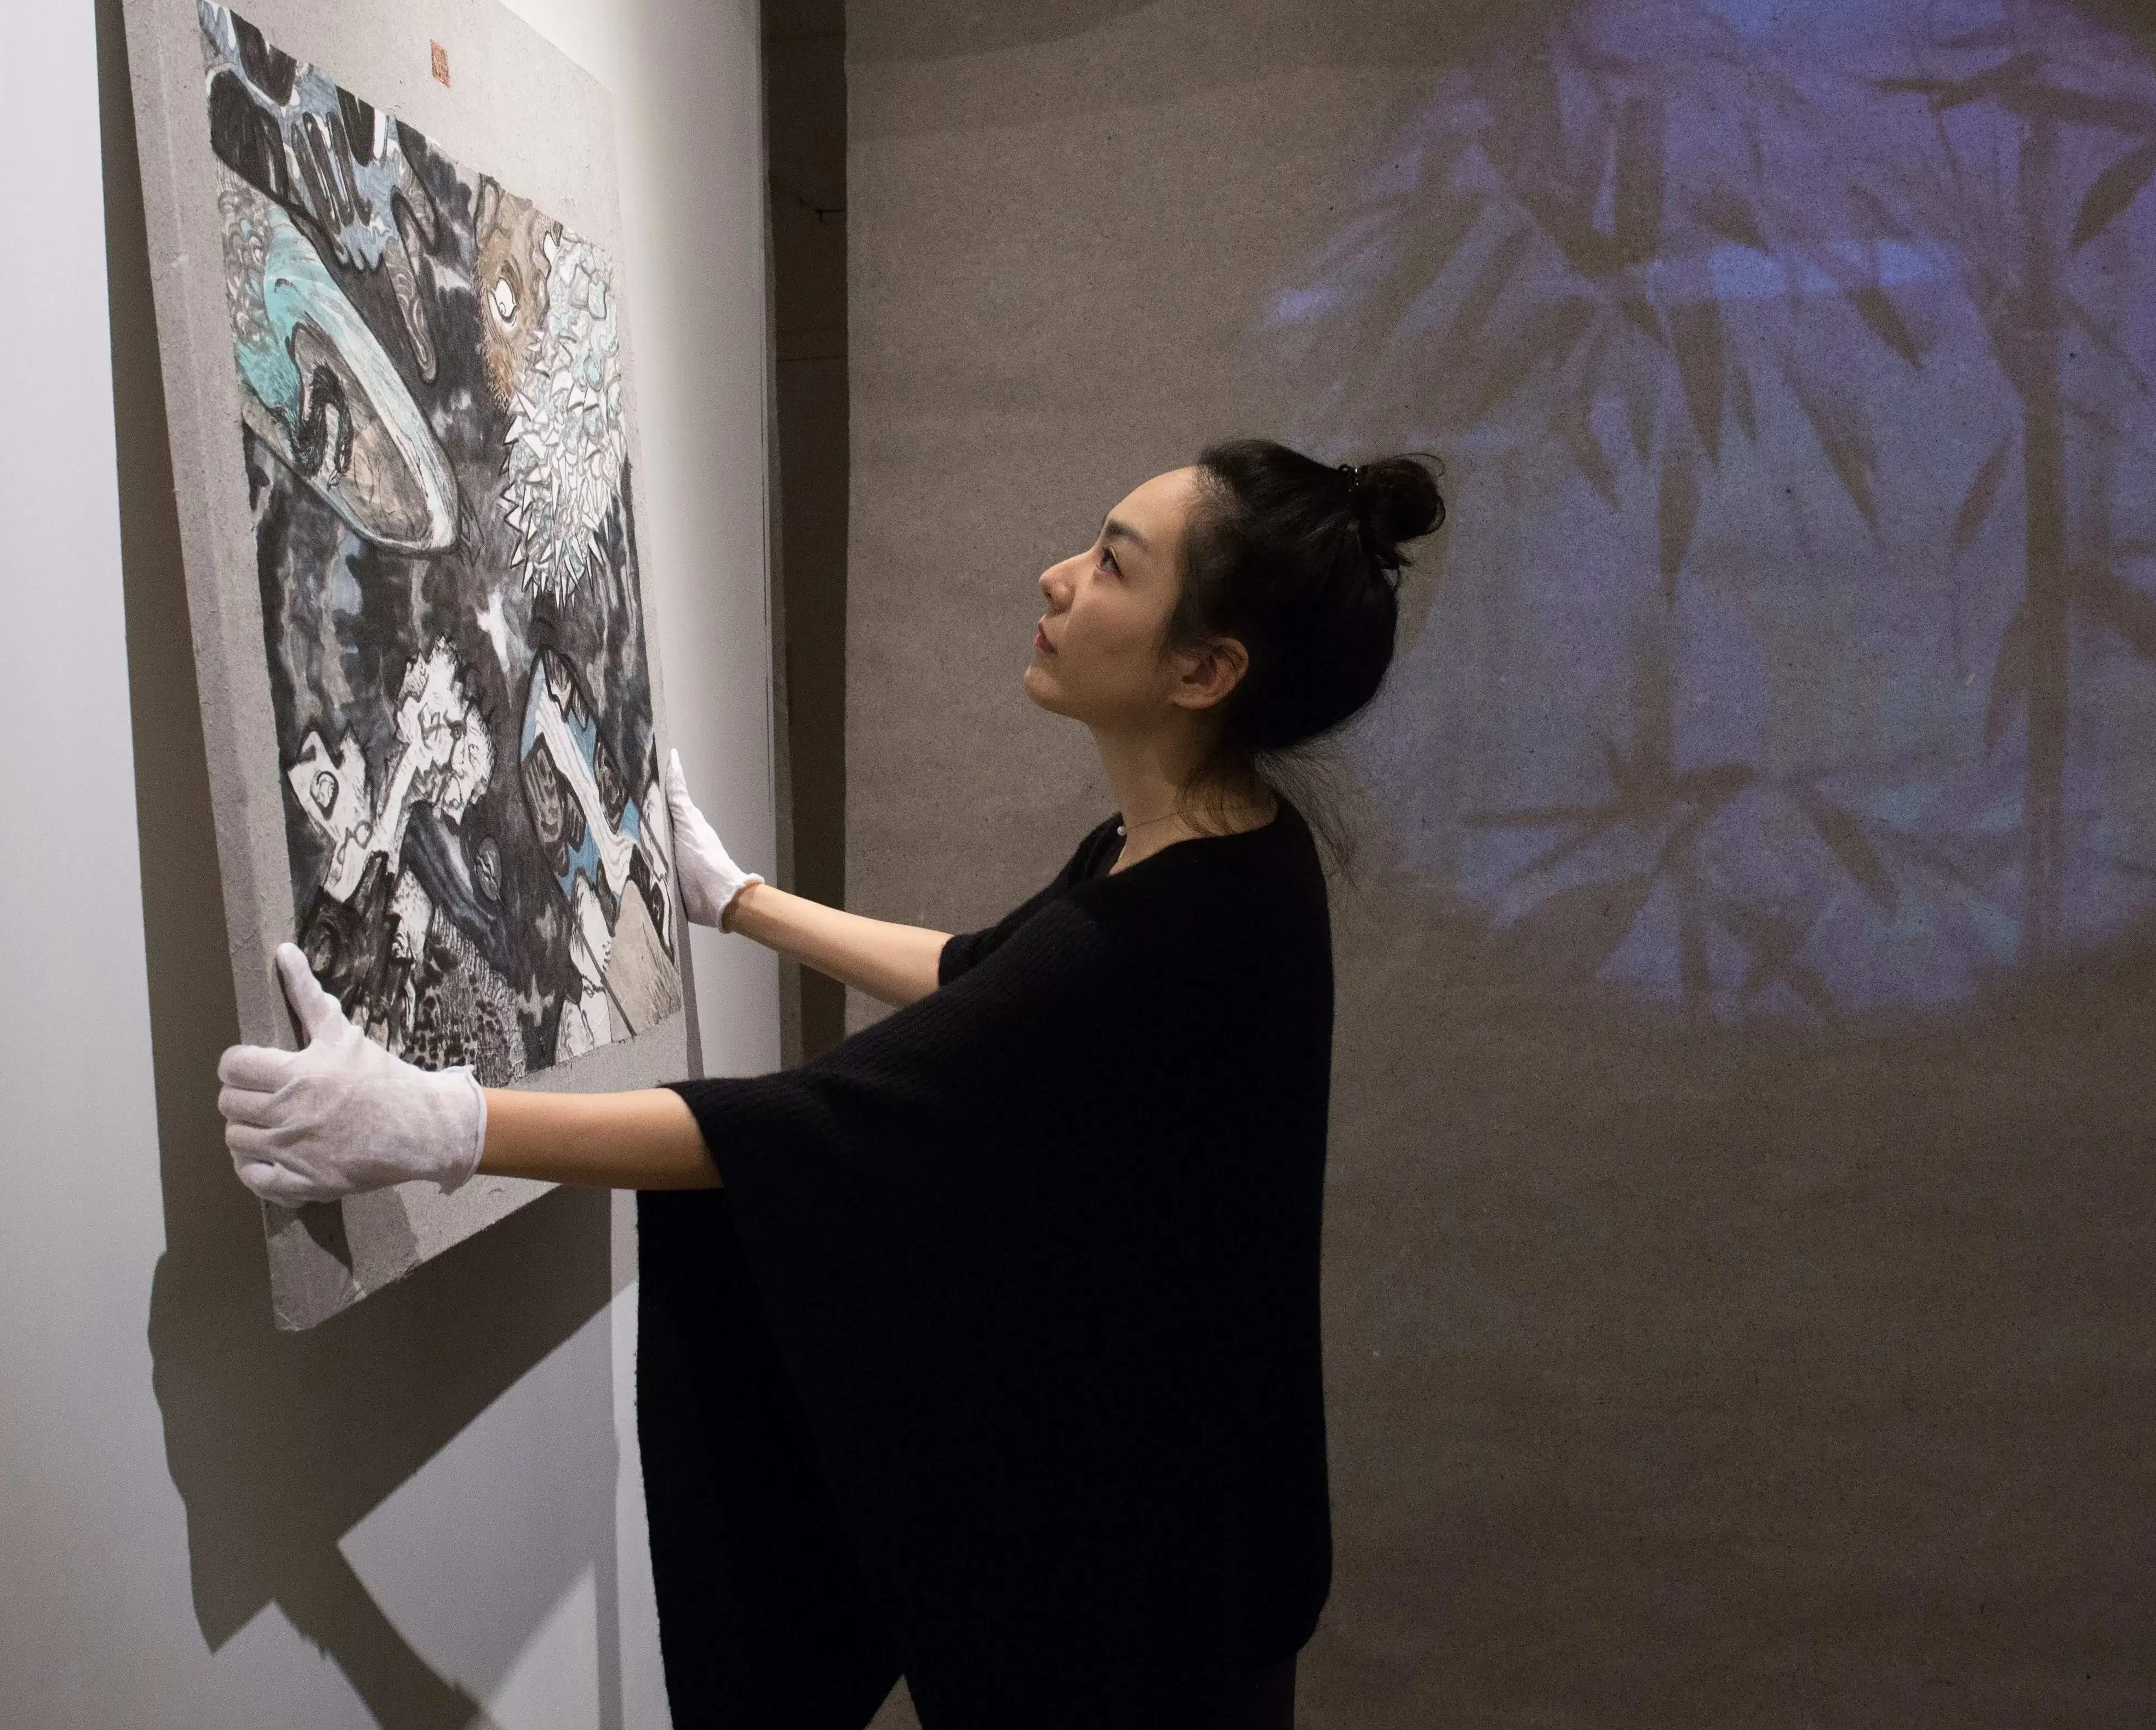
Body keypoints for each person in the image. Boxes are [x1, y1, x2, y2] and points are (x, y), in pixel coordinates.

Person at [218, 439, 1446, 1728]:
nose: (1058, 577)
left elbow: (804, 1131)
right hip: (1205, 1549)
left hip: (1151, 1621)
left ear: (1206, 668)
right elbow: (985, 980)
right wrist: (737, 902)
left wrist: (440, 1124)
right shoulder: (1224, 843)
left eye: (1113, 567)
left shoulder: (1162, 937)